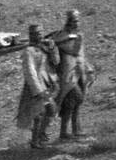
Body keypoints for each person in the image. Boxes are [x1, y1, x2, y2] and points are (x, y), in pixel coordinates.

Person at [47, 10, 95, 140]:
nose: (76, 23)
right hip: (68, 72)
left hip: (79, 71)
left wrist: (87, 67)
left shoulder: (78, 35)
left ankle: (75, 130)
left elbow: (80, 54)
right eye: (74, 21)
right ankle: (64, 132)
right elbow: (60, 45)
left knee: (77, 102)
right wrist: (71, 39)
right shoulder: (62, 35)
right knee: (74, 99)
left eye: (77, 21)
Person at [16, 24, 59, 149]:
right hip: (36, 86)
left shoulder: (44, 48)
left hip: (47, 83)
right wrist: (38, 90)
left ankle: (40, 136)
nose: (38, 36)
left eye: (40, 33)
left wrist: (53, 49)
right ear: (31, 35)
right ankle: (35, 140)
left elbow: (56, 62)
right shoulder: (28, 51)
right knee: (39, 113)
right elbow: (30, 71)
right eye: (35, 34)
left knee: (50, 110)